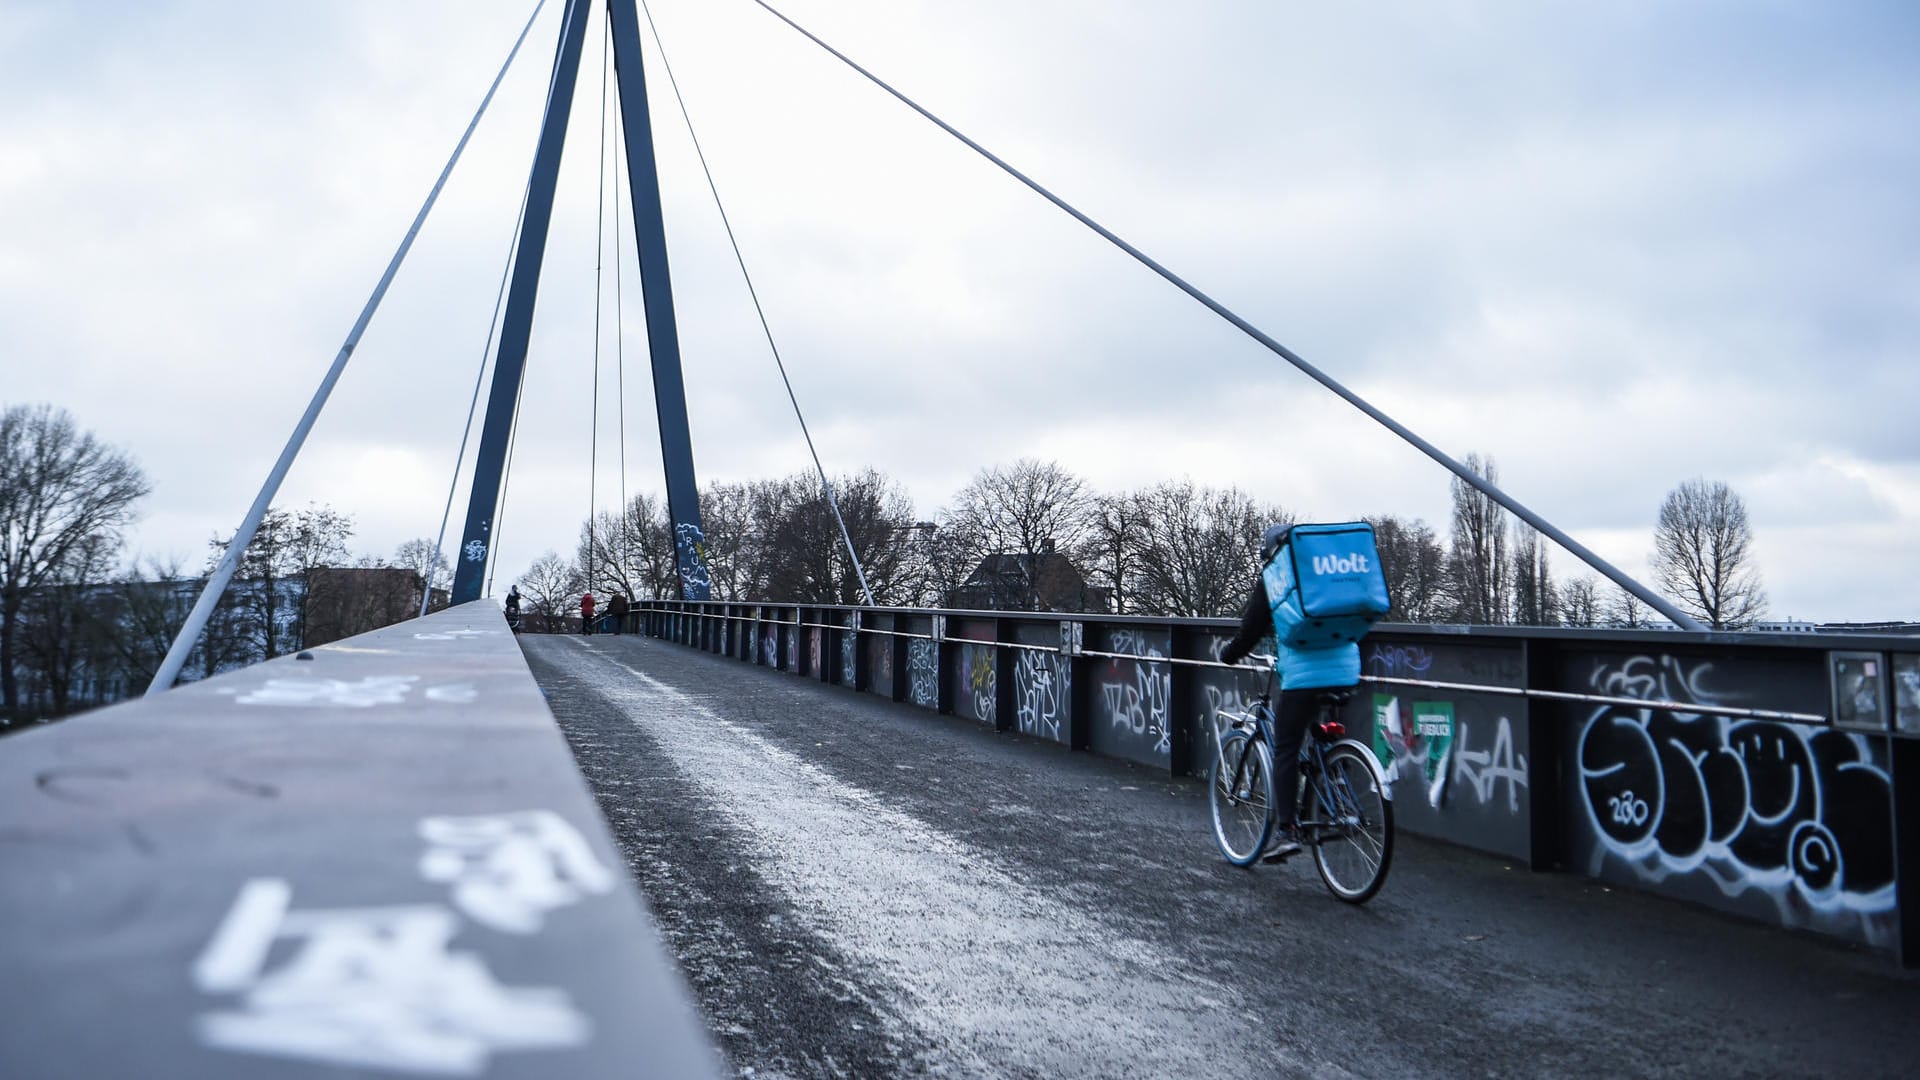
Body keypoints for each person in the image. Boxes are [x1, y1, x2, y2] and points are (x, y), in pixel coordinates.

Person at [1218, 523, 1362, 862]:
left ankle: (1287, 831)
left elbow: (1250, 631)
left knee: (1285, 747)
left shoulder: (1275, 579)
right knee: (1319, 735)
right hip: (1346, 670)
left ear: (1268, 554)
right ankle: (1336, 787)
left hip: (1303, 678)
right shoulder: (1326, 574)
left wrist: (1229, 654)